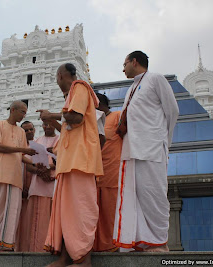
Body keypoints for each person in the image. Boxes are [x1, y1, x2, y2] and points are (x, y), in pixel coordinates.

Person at [113, 51, 179, 252]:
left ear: (134, 61)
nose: (122, 68)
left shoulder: (156, 79)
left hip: (152, 148)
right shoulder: (132, 88)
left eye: (124, 63)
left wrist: (163, 142)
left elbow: (172, 111)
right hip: (133, 149)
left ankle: (159, 243)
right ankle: (142, 242)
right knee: (138, 196)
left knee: (154, 195)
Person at [38, 63, 103, 266]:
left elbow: (75, 117)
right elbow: (69, 126)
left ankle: (84, 260)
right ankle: (67, 257)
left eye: (56, 78)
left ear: (60, 76)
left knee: (80, 209)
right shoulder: (71, 96)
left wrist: (51, 115)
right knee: (66, 212)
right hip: (68, 163)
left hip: (80, 161)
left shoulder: (80, 87)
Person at [0, 101, 37, 251]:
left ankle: (5, 245)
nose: (24, 115)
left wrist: (36, 165)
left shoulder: (20, 132)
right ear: (13, 110)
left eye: (25, 113)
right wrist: (23, 150)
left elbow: (22, 156)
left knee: (12, 211)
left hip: (15, 176)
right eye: (22, 112)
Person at [93, 93, 122, 252]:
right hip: (95, 172)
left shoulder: (117, 116)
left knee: (111, 212)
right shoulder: (93, 121)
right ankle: (96, 248)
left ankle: (113, 247)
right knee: (95, 213)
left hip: (112, 170)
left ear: (98, 105)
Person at [26, 121, 59, 252]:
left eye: (50, 124)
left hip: (54, 181)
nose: (48, 126)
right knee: (37, 221)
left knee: (53, 218)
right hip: (38, 183)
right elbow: (28, 163)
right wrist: (39, 171)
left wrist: (48, 169)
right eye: (45, 124)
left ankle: (52, 248)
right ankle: (36, 250)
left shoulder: (60, 139)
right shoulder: (37, 141)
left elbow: (64, 158)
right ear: (42, 126)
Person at [15, 120, 37, 252]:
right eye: (25, 130)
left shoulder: (39, 145)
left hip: (34, 187)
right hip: (20, 186)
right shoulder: (18, 147)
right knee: (18, 219)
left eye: (30, 129)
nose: (29, 132)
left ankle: (31, 247)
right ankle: (17, 247)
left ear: (35, 130)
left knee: (31, 219)